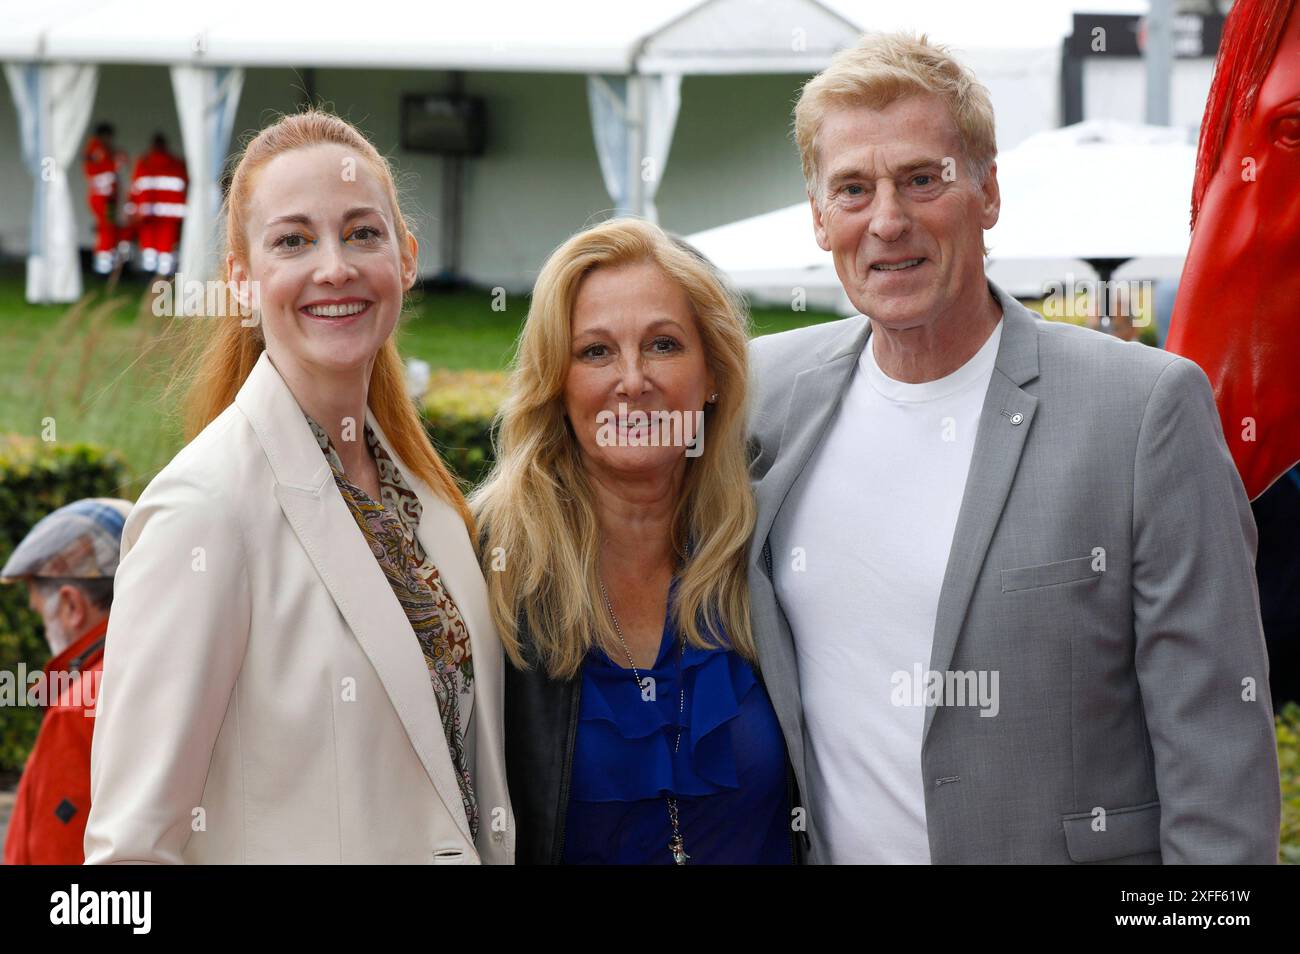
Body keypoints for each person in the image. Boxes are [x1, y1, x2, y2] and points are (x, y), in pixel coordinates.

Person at [747, 32, 1280, 863]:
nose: (887, 220)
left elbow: (1219, 760)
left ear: (988, 191)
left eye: (922, 179)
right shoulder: (762, 396)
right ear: (819, 217)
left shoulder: (1144, 411)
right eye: (853, 189)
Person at [83, 109, 513, 864]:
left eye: (362, 233)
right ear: (242, 283)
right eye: (293, 240)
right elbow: (130, 854)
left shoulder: (431, 503)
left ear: (406, 258)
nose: (334, 267)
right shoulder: (203, 512)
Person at [474, 218, 794, 864]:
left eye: (663, 345)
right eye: (595, 352)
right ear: (557, 382)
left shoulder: (768, 544)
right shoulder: (485, 564)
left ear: (712, 374)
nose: (632, 380)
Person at [1, 498, 131, 865]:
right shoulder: (170, 669)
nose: (43, 629)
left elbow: (58, 855)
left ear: (72, 607)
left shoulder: (79, 706)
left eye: (39, 613)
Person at [127, 132, 187, 276]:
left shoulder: (143, 163)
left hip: (147, 214)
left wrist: (131, 210)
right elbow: (185, 188)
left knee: (148, 244)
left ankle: (148, 276)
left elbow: (135, 189)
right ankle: (164, 276)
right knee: (167, 244)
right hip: (171, 214)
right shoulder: (177, 165)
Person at [82, 124, 129, 275]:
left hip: (107, 198)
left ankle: (108, 263)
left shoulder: (102, 150)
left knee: (109, 227)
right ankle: (103, 268)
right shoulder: (97, 149)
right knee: (107, 228)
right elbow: (104, 168)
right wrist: (117, 161)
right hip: (103, 199)